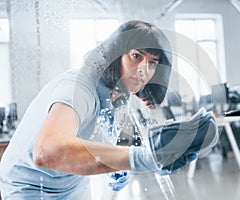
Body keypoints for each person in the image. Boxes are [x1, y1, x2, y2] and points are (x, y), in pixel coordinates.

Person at [0, 20, 218, 199]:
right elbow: (46, 151)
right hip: (29, 190)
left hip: (71, 185)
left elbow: (91, 143)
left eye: (152, 63)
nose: (143, 70)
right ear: (116, 54)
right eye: (136, 56)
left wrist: (113, 165)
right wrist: (141, 158)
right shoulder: (78, 88)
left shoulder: (119, 98)